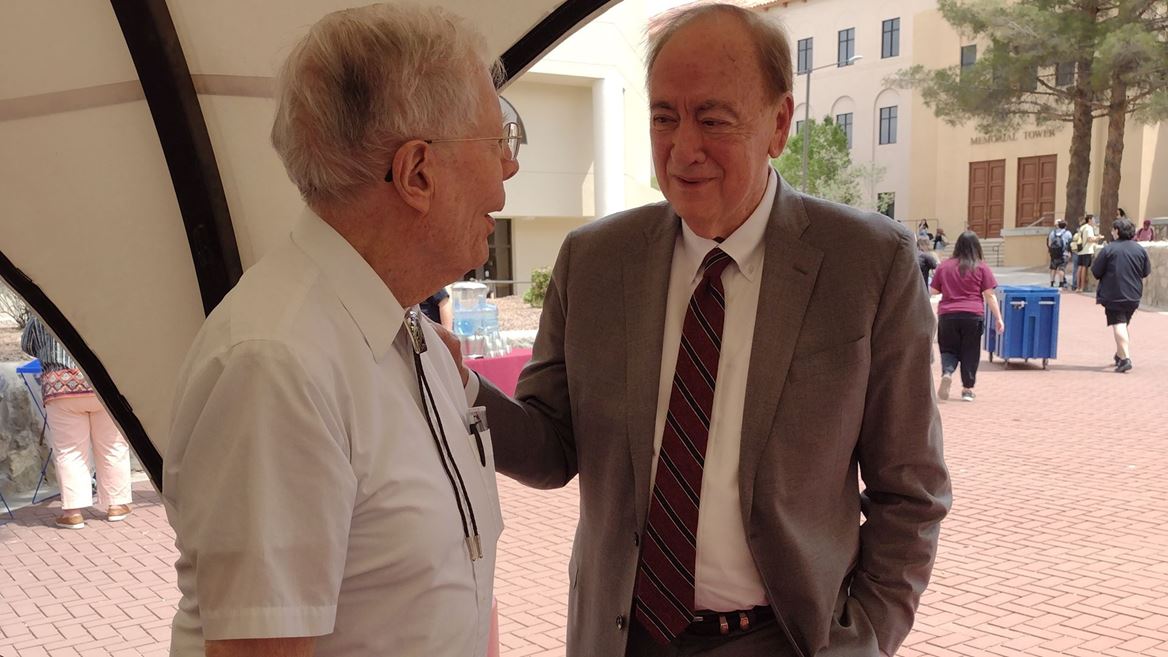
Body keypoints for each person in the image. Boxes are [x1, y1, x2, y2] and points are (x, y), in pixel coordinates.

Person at [440, 5, 950, 656]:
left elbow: (910, 493)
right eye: (663, 117)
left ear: (779, 123)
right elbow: (551, 447)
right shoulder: (593, 261)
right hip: (622, 636)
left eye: (712, 119)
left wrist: (863, 640)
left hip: (784, 637)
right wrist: (456, 385)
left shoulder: (867, 263)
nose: (683, 149)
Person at [162, 5, 518, 656]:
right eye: (498, 143)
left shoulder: (409, 337)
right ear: (417, 172)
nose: (509, 172)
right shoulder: (277, 365)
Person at [20, 315, 132, 529]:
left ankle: (72, 512)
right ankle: (116, 505)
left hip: (59, 387)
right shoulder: (96, 307)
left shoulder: (41, 311)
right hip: (101, 384)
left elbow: (27, 344)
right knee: (112, 445)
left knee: (69, 450)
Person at [929, 231, 1005, 403]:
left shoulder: (945, 266)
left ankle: (947, 372)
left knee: (948, 349)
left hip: (948, 315)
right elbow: (989, 295)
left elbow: (933, 291)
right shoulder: (981, 267)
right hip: (973, 315)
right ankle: (967, 389)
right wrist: (999, 318)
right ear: (976, 246)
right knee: (970, 351)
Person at [1092, 218, 1152, 373]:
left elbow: (1096, 271)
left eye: (1113, 229)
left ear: (1117, 231)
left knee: (1118, 324)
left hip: (1114, 294)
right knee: (1124, 325)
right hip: (1133, 295)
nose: (1112, 232)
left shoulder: (1109, 249)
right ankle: (1119, 354)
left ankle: (1125, 359)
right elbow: (1145, 272)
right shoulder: (1140, 250)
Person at [1074, 214, 1105, 292]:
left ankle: (1077, 286)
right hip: (1087, 250)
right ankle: (1082, 287)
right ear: (1090, 220)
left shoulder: (1082, 227)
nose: (1094, 221)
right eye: (1094, 219)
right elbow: (1090, 239)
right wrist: (1098, 237)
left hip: (1080, 250)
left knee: (1079, 268)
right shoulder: (1089, 228)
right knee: (1084, 268)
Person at [1047, 219, 1072, 288]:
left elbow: (1049, 243)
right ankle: (1061, 283)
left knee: (1053, 268)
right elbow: (1070, 243)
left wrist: (1051, 250)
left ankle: (1052, 283)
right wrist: (1069, 252)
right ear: (1065, 226)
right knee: (1061, 268)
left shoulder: (1052, 233)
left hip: (1054, 254)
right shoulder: (1067, 233)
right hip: (1064, 253)